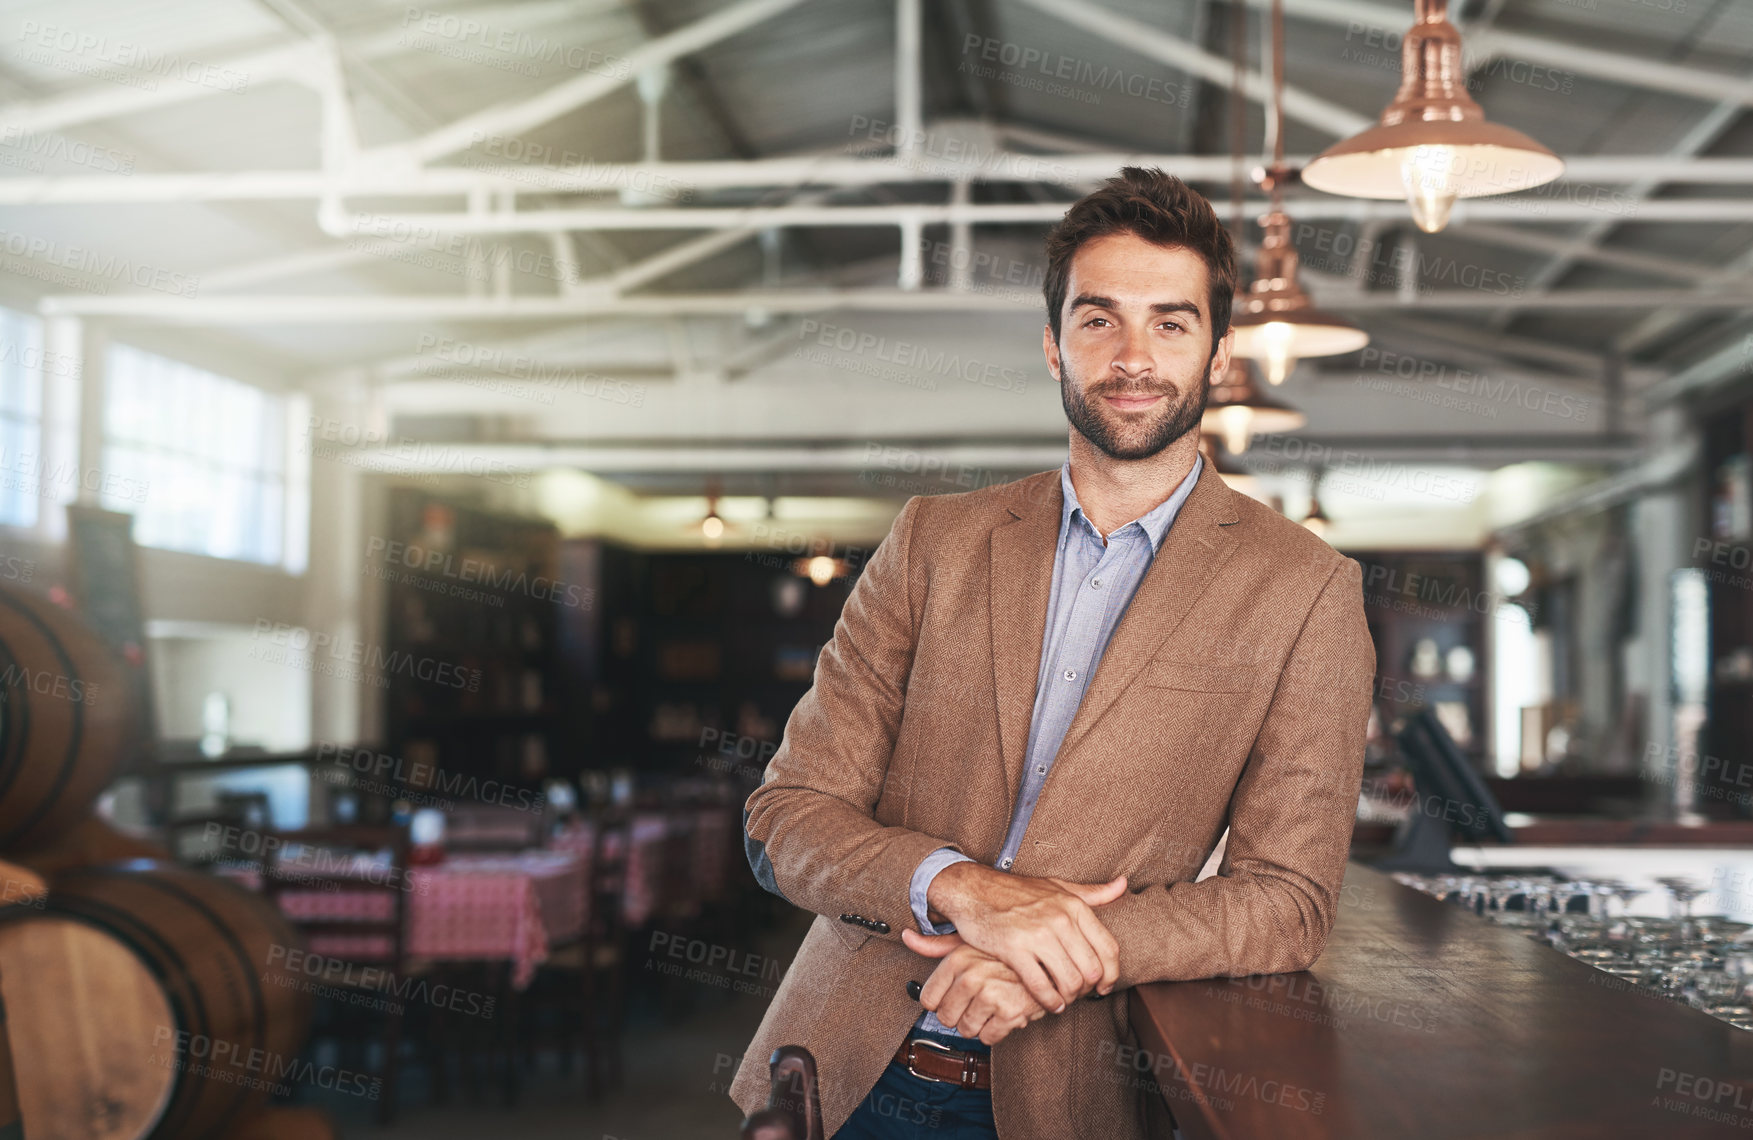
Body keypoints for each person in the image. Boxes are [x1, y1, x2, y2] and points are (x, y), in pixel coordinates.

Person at [731, 166, 1375, 1139]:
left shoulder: (1306, 588)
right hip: (847, 1072)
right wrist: (964, 889)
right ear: (1052, 345)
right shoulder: (932, 541)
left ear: (1216, 350)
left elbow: (1287, 903)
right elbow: (784, 821)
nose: (1132, 356)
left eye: (1170, 322)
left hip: (1070, 1094)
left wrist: (1062, 948)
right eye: (1097, 319)